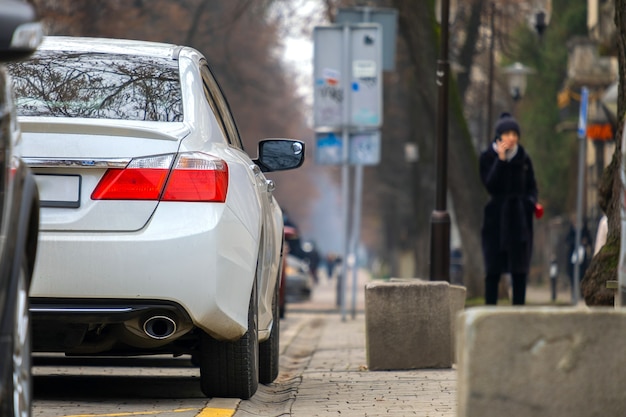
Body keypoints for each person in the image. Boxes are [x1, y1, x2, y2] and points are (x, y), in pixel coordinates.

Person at [479, 112, 538, 305]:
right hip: (495, 219)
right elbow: (490, 184)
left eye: (515, 134)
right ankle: (488, 310)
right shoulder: (488, 157)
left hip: (518, 220)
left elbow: (532, 186)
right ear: (499, 136)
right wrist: (501, 160)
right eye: (507, 133)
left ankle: (519, 311)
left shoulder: (524, 158)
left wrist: (530, 204)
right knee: (492, 270)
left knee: (519, 270)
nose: (512, 138)